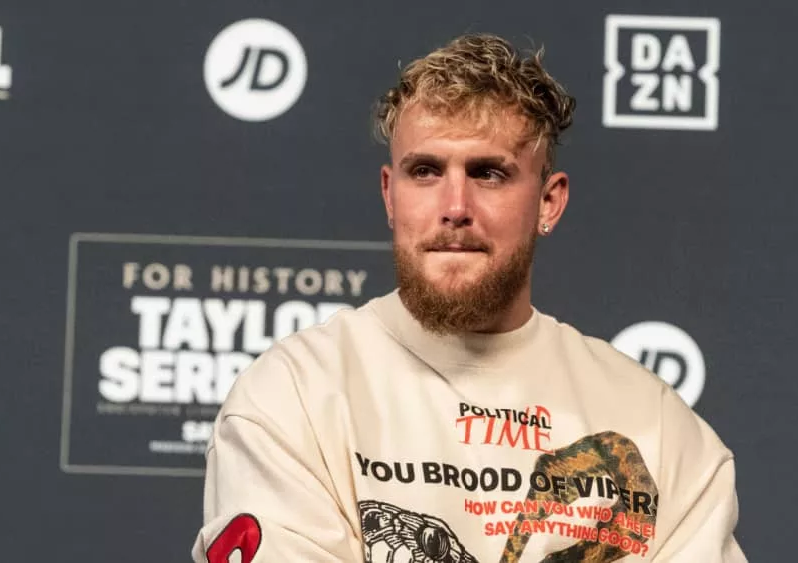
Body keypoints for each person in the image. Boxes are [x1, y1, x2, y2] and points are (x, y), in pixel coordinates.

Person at [190, 33, 747, 563]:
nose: (455, 205)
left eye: (489, 174)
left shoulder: (657, 427)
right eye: (426, 171)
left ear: (549, 203)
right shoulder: (294, 397)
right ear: (390, 194)